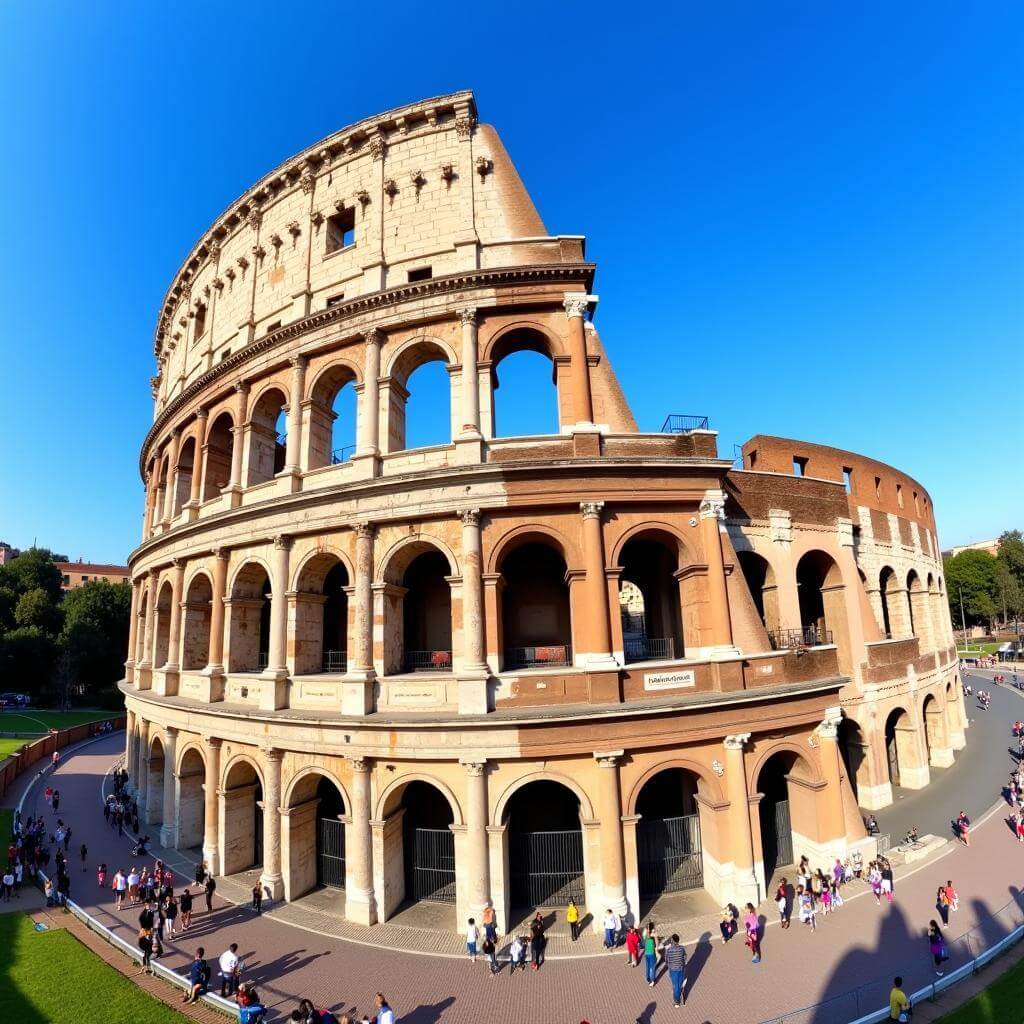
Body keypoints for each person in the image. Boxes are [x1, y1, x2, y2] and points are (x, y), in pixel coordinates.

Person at [662, 933, 686, 1008]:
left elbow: (666, 960)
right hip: (681, 968)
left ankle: (677, 1001)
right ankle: (680, 993)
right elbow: (685, 957)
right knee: (679, 983)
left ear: (672, 940)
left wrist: (670, 964)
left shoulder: (669, 950)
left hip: (673, 970)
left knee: (675, 986)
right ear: (678, 940)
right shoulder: (682, 948)